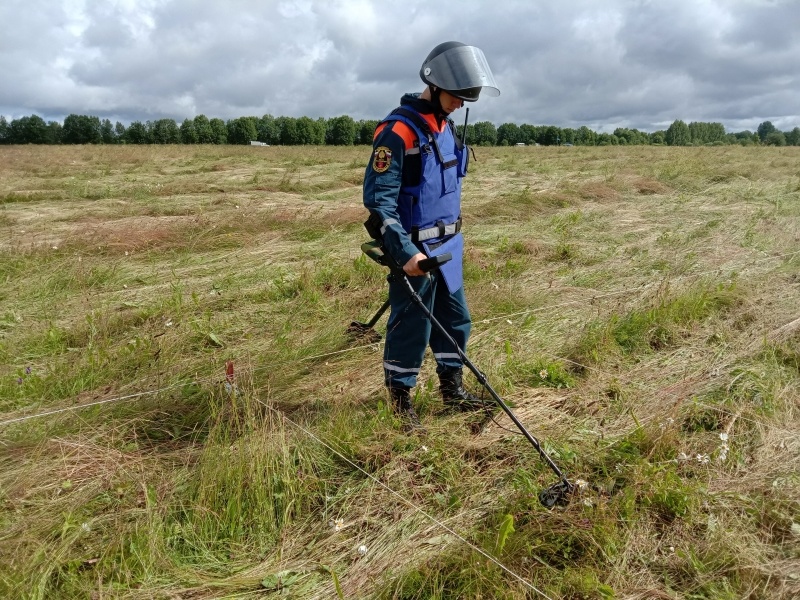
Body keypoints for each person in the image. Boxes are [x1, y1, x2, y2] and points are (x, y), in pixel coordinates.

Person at [362, 41, 500, 431]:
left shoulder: (447, 127)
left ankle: (452, 389)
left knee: (457, 320)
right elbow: (379, 203)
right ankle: (400, 399)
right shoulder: (398, 132)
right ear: (434, 86)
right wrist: (405, 253)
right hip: (415, 252)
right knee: (411, 326)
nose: (460, 103)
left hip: (449, 247)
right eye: (456, 96)